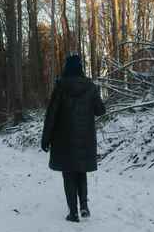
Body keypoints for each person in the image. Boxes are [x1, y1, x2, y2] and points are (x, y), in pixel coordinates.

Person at [41, 55, 106, 223]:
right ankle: (84, 206)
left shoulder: (60, 87)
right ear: (80, 68)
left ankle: (73, 213)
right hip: (85, 138)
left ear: (66, 68)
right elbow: (101, 110)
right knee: (81, 171)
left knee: (68, 174)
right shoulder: (90, 87)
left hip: (63, 139)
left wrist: (45, 139)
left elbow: (51, 116)